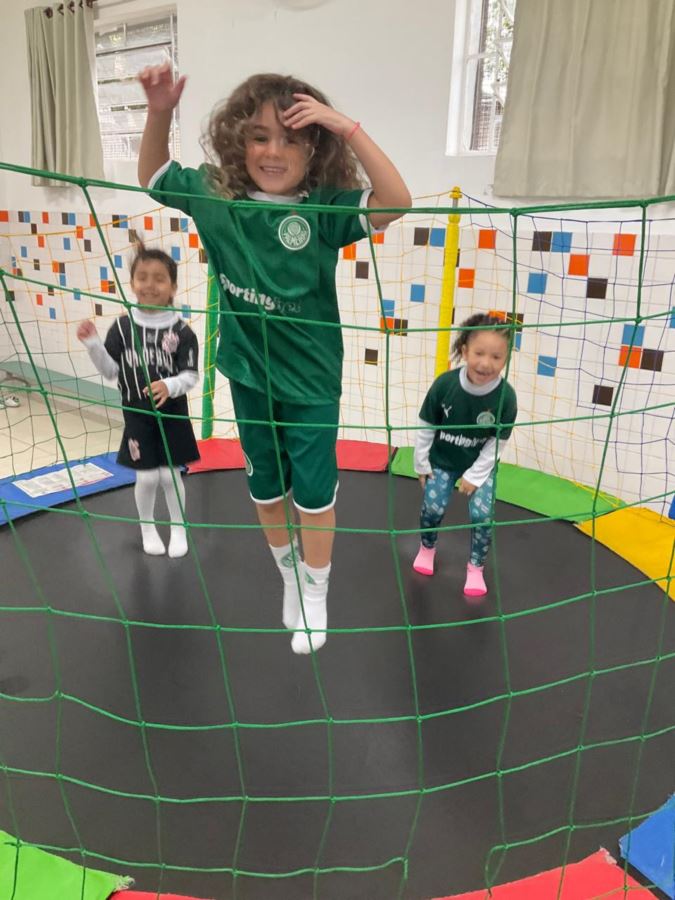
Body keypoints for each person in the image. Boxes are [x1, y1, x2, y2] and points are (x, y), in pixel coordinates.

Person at [136, 64, 411, 654]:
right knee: (265, 493)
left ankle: (317, 590)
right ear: (239, 141)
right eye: (260, 137)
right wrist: (159, 111)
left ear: (314, 149)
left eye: (291, 139)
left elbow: (397, 201)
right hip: (249, 374)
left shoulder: (325, 210)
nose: (273, 151)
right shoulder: (215, 197)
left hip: (311, 382)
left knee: (313, 496)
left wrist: (345, 126)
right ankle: (290, 578)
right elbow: (154, 175)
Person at [76, 241, 200, 558]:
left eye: (159, 278)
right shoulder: (122, 327)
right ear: (132, 284)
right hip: (137, 413)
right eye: (142, 277)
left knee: (170, 475)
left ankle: (179, 527)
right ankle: (147, 527)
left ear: (173, 288)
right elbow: (110, 371)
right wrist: (93, 345)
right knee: (146, 476)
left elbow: (190, 376)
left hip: (172, 414)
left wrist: (169, 385)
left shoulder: (182, 332)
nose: (150, 285)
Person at [413, 314, 518, 597]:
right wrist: (421, 463)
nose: (486, 363)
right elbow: (426, 424)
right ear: (464, 351)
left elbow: (497, 443)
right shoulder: (445, 385)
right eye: (479, 353)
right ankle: (427, 547)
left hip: (480, 464)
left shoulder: (506, 398)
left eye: (496, 357)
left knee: (482, 515)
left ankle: (475, 567)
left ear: (506, 358)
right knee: (432, 508)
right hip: (442, 460)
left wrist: (475, 475)